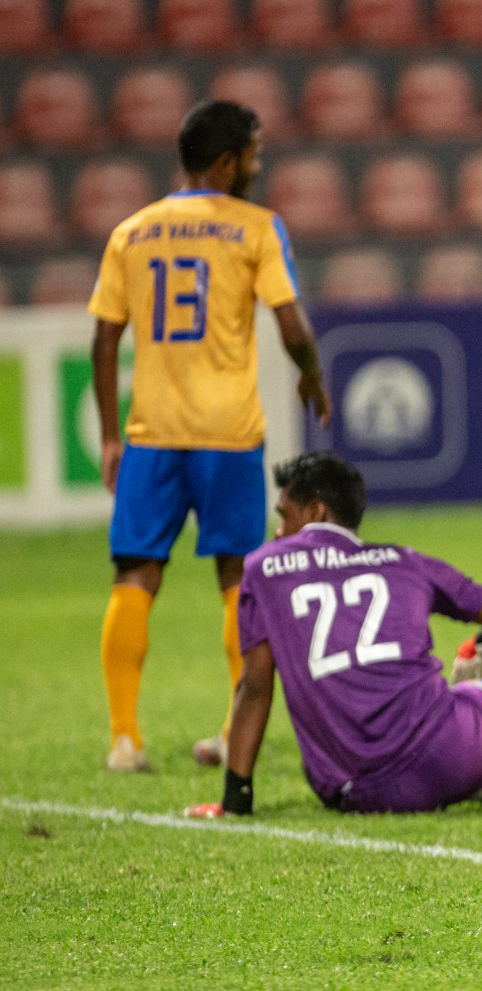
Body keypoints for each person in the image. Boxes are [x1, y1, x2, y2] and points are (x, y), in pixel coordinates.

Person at [185, 451, 482, 819]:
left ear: (314, 512)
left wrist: (237, 799)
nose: (277, 529)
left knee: (438, 721)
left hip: (348, 789)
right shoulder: (406, 562)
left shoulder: (265, 567)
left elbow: (255, 686)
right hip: (443, 759)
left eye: (283, 514)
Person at [90, 100, 332, 774]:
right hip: (227, 434)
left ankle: (124, 739)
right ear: (228, 161)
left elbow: (105, 340)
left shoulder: (132, 232)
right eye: (253, 153)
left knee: (135, 573)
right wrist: (311, 378)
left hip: (152, 433)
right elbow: (291, 325)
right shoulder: (255, 228)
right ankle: (233, 731)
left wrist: (112, 435)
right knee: (237, 576)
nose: (258, 164)